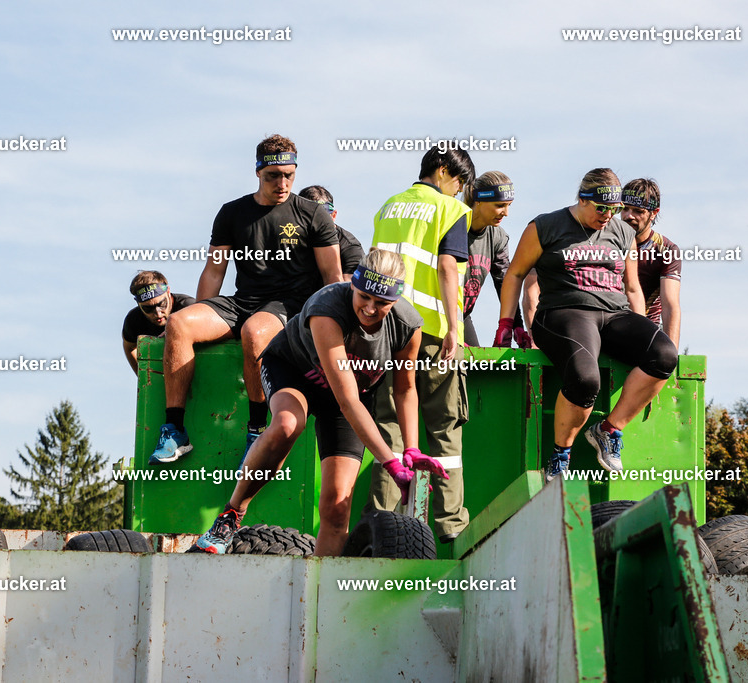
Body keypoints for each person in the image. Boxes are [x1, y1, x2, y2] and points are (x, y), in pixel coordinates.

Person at [190, 249, 447, 556]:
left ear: (395, 301)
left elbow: (404, 390)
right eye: (364, 296)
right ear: (353, 284)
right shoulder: (327, 308)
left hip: (350, 396)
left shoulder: (408, 326)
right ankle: (231, 515)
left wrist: (411, 449)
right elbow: (348, 399)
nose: (369, 308)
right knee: (287, 424)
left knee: (338, 505)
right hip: (296, 373)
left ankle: (321, 593)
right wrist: (391, 463)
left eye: (381, 303)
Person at [150, 135, 343, 465]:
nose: (282, 183)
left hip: (290, 305)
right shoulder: (232, 213)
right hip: (243, 301)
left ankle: (256, 432)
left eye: (289, 175)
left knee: (254, 333)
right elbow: (213, 272)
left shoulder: (313, 215)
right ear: (257, 172)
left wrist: (331, 332)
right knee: (180, 322)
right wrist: (198, 312)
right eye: (273, 176)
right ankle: (175, 431)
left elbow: (333, 280)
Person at [499, 168, 678, 481]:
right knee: (585, 379)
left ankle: (608, 429)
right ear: (582, 199)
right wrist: (506, 322)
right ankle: (560, 454)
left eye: (613, 209)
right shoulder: (545, 226)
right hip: (564, 311)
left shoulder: (623, 233)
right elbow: (515, 274)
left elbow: (633, 288)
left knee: (664, 354)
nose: (608, 216)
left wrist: (642, 327)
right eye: (602, 208)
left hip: (615, 313)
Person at [366, 146, 474, 543]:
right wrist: (455, 329)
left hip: (385, 329)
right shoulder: (451, 211)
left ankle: (384, 519)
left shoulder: (388, 206)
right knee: (445, 427)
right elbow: (448, 268)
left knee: (389, 427)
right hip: (429, 332)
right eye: (459, 183)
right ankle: (450, 526)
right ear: (444, 172)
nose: (460, 192)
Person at [460, 171, 531, 348]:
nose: (506, 213)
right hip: (437, 315)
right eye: (500, 205)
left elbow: (504, 282)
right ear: (479, 200)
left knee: (474, 370)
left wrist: (516, 326)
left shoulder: (498, 237)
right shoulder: (453, 226)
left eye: (509, 205)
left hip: (463, 315)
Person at [621, 178, 681, 347]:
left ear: (654, 213)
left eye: (638, 211)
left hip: (647, 332)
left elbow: (670, 306)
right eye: (624, 209)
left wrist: (671, 355)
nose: (628, 216)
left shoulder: (666, 250)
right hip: (606, 326)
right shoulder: (606, 240)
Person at [121, 271, 195, 375]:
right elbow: (129, 347)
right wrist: (143, 376)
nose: (158, 313)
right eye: (148, 308)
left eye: (162, 304)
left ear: (168, 291)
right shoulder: (134, 320)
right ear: (138, 303)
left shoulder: (189, 308)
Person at [298, 185, 365, 280]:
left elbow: (350, 289)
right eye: (307, 217)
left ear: (333, 216)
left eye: (321, 218)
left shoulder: (349, 246)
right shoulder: (286, 236)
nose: (314, 224)